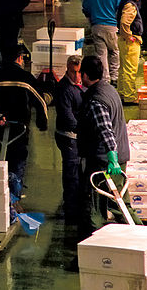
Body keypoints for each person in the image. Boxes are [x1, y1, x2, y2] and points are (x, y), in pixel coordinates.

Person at [77, 55, 140, 244]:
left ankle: (96, 247)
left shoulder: (96, 100)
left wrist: (111, 155)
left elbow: (106, 130)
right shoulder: (110, 89)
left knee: (99, 207)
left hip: (104, 162)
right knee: (120, 203)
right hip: (117, 157)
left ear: (86, 75)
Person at [0, 45, 48, 200]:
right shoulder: (26, 78)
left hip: (1, 127)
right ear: (19, 58)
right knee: (18, 161)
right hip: (21, 128)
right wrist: (42, 122)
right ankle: (14, 198)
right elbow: (41, 101)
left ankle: (5, 194)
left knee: (4, 157)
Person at [54, 55, 84, 224]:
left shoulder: (80, 86)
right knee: (71, 173)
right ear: (67, 69)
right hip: (68, 137)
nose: (76, 76)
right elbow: (68, 117)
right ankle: (70, 209)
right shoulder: (64, 89)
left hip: (77, 136)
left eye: (79, 72)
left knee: (77, 171)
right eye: (73, 72)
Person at [82, 0, 123, 84]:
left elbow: (85, 8)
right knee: (114, 51)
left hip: (96, 26)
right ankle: (114, 77)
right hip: (112, 26)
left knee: (101, 54)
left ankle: (105, 79)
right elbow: (120, 8)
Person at [117, 0, 146, 104]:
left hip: (123, 40)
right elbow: (124, 22)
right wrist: (129, 35)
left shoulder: (127, 1)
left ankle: (122, 93)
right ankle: (129, 96)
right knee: (130, 70)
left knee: (123, 69)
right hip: (130, 41)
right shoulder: (130, 5)